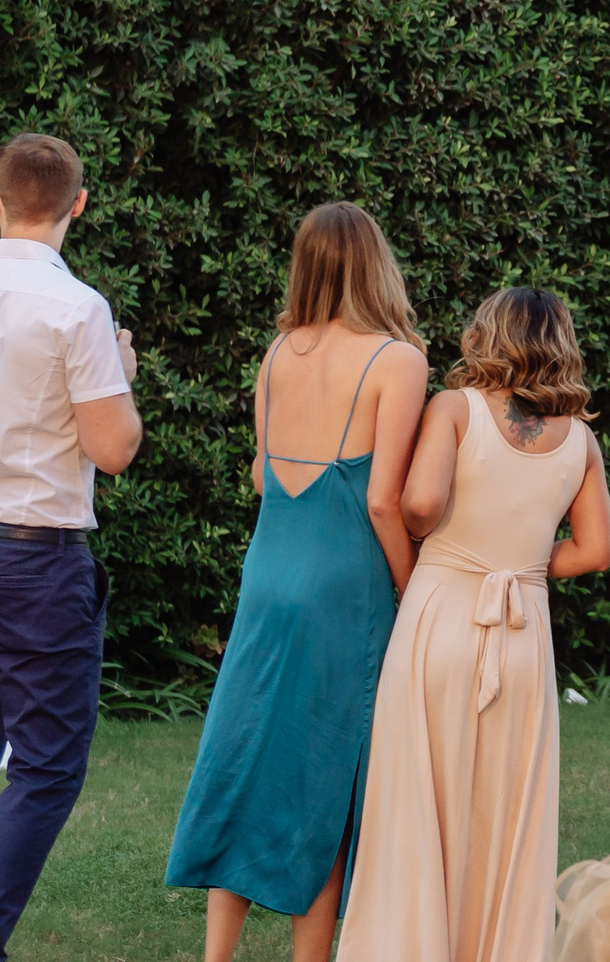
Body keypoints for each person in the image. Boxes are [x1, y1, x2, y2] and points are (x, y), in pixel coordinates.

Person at [168, 204, 430, 962]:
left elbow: (263, 473)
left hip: (268, 574)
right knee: (323, 774)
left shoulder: (279, 351)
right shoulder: (399, 361)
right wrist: (412, 586)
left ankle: (216, 956)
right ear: (376, 263)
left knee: (246, 754)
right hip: (343, 584)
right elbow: (383, 501)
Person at [336, 288, 610, 962]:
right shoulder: (580, 439)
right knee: (507, 811)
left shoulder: (455, 408)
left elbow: (420, 502)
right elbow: (597, 550)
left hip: (440, 614)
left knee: (416, 798)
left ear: (488, 336)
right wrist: (524, 563)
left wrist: (454, 547)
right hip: (523, 633)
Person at [0, 134, 142, 962]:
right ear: (78, 204)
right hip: (36, 556)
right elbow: (113, 450)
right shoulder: (78, 309)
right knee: (46, 767)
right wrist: (122, 375)